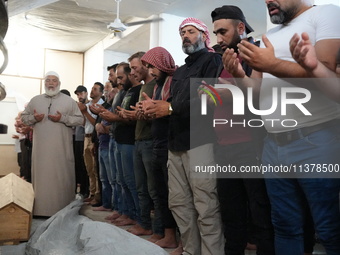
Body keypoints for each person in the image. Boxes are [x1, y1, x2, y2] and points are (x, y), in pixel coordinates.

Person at [223, 1, 340, 254]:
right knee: (285, 227)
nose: (268, 1)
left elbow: (327, 71)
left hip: (316, 139)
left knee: (329, 227)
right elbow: (257, 92)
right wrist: (239, 75)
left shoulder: (326, 12)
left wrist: (273, 64)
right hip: (273, 144)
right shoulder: (271, 35)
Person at [143, 17, 224, 255]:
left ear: (203, 35)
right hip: (175, 144)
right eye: (182, 33)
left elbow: (209, 99)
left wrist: (168, 108)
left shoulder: (213, 61)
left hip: (200, 141)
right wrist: (157, 106)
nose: (185, 36)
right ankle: (190, 250)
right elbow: (174, 103)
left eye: (190, 31)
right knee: (179, 204)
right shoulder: (181, 70)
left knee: (205, 205)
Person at [209, 5, 274, 255]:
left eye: (223, 32)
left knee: (260, 215)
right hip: (224, 146)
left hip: (250, 145)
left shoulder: (255, 54)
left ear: (240, 28)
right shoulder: (220, 59)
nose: (218, 38)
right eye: (215, 33)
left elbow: (259, 99)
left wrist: (232, 90)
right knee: (231, 214)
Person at [21, 71, 84, 216]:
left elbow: (80, 120)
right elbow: (24, 118)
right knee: (42, 181)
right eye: (48, 80)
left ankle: (62, 210)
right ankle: (41, 210)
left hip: (61, 151)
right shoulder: (35, 100)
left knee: (61, 178)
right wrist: (34, 118)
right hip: (41, 152)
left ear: (59, 83)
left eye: (54, 80)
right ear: (44, 83)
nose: (50, 83)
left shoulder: (69, 101)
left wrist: (63, 118)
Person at [140, 46, 179, 250]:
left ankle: (177, 237)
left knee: (174, 195)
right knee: (159, 192)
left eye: (153, 67)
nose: (151, 71)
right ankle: (167, 234)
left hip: (170, 143)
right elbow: (157, 111)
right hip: (157, 143)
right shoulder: (157, 86)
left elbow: (175, 109)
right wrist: (147, 110)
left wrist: (159, 107)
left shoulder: (176, 81)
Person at [78, 82, 104, 205]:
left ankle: (98, 195)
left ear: (101, 92)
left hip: (95, 139)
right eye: (92, 89)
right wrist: (83, 112)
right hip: (86, 137)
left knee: (95, 168)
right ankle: (91, 193)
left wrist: (85, 112)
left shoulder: (101, 105)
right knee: (88, 168)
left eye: (95, 89)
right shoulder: (87, 105)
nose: (92, 91)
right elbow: (84, 124)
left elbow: (95, 123)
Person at [74, 85, 90, 197]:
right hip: (77, 138)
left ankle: (87, 190)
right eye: (78, 94)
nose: (79, 96)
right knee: (79, 165)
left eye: (81, 93)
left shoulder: (89, 106)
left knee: (86, 166)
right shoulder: (76, 107)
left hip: (87, 137)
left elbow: (85, 123)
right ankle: (82, 190)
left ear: (86, 93)